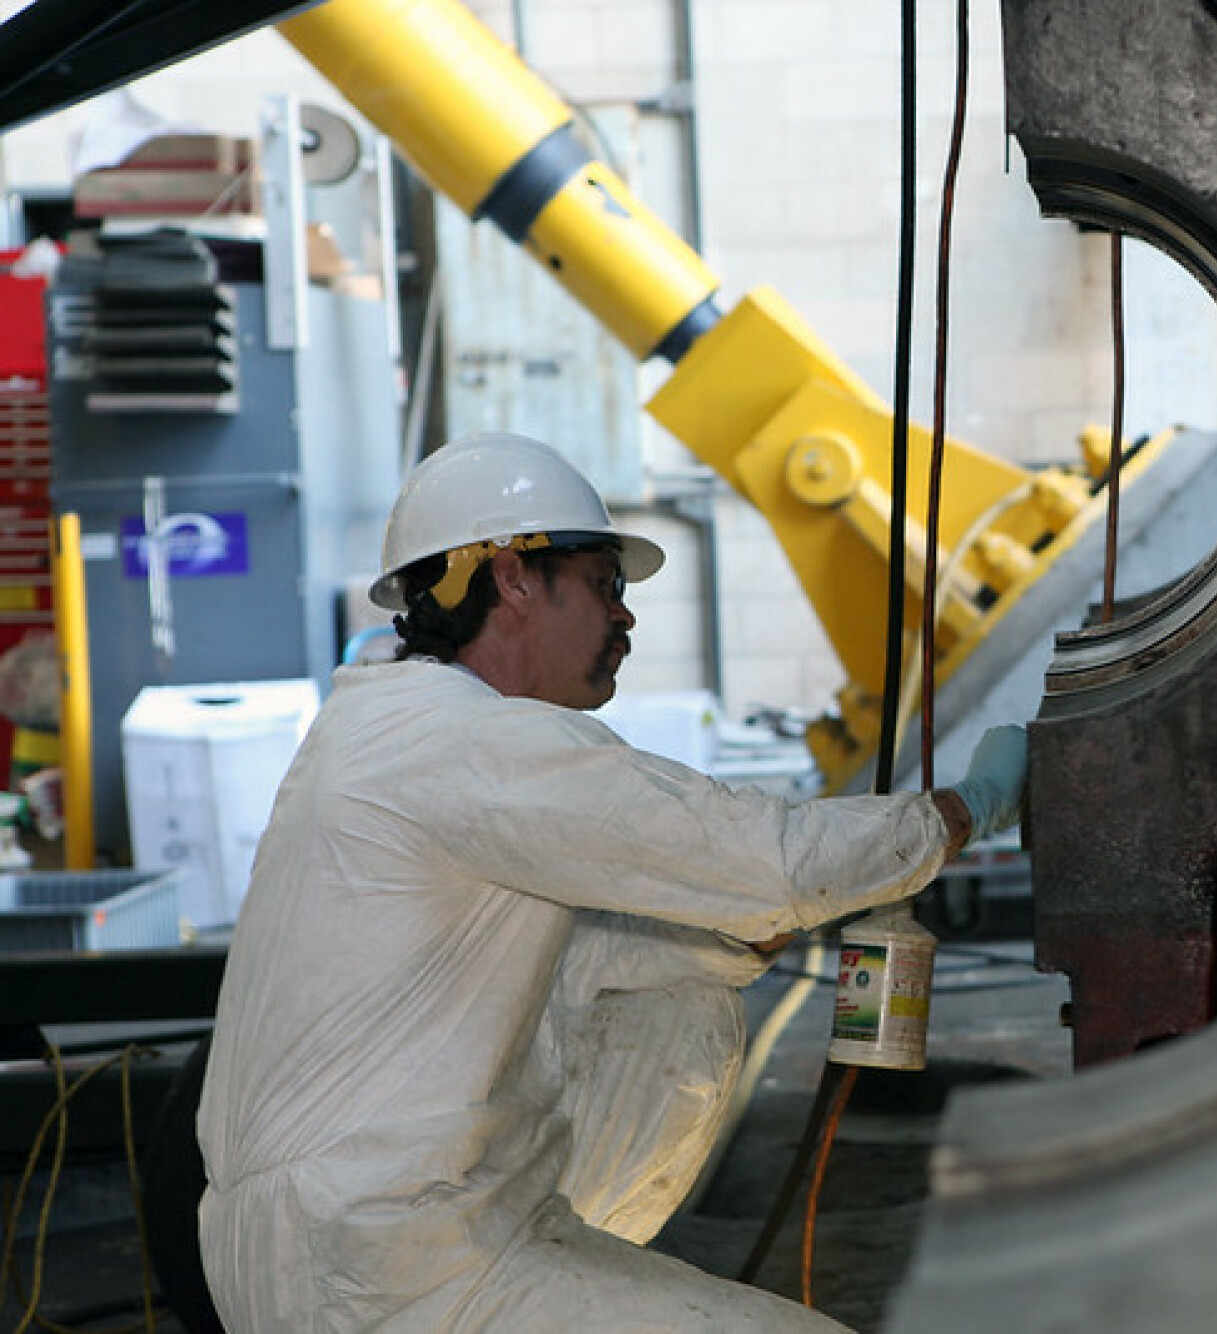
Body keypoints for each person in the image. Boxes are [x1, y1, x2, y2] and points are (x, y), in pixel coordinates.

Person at [195, 430, 1027, 1331]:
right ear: (513, 577)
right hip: (386, 1265)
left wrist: (730, 928)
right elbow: (771, 855)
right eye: (605, 585)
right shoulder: (473, 745)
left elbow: (584, 961)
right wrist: (964, 810)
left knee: (679, 991)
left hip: (326, 1241)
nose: (625, 618)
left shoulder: (382, 732)